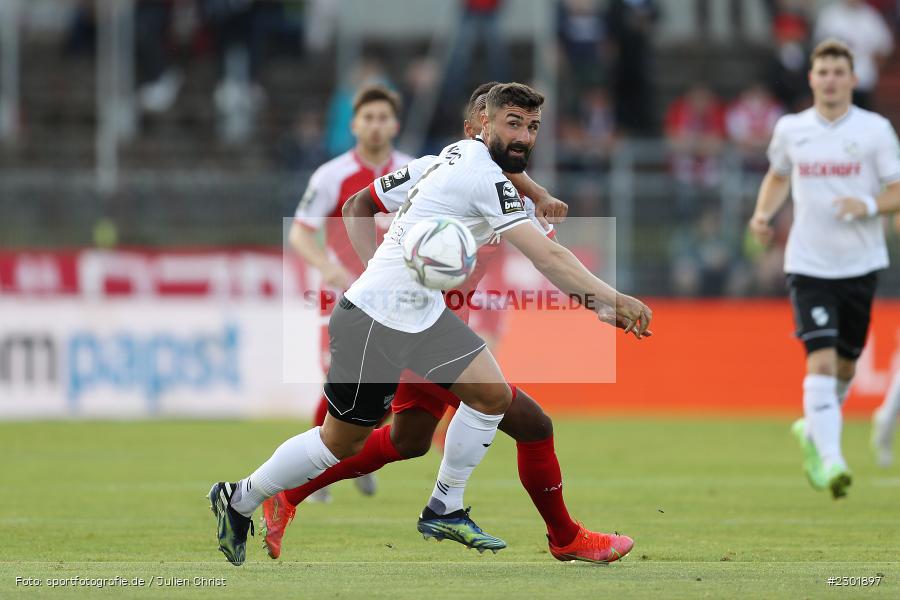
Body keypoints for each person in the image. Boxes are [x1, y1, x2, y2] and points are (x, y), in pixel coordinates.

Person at [208, 82, 652, 565]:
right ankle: (242, 497)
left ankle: (449, 506)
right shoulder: (483, 178)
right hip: (376, 320)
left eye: (533, 127)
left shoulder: (452, 156)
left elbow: (367, 202)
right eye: (513, 123)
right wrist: (609, 299)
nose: (525, 135)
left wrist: (539, 191)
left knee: (487, 401)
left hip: (421, 318)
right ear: (483, 123)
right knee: (342, 440)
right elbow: (546, 253)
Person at [748, 39, 900, 499]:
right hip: (809, 263)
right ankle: (833, 460)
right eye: (823, 72)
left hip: (861, 263)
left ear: (853, 80)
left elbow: (897, 190)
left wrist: (868, 203)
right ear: (812, 78)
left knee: (846, 370)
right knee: (821, 358)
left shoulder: (875, 130)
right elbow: (778, 175)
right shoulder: (793, 129)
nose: (831, 79)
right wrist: (761, 214)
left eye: (839, 72)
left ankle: (813, 429)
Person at [288, 84, 413, 503]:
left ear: (394, 125)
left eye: (383, 118)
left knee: (387, 390)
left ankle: (354, 454)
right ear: (354, 124)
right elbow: (300, 232)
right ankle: (315, 469)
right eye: (368, 118)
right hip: (348, 296)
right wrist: (327, 268)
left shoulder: (417, 172)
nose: (376, 125)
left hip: (399, 297)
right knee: (339, 381)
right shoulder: (331, 175)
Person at [814, 0, 894, 110]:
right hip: (835, 80)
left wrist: (874, 63)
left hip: (863, 79)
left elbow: (885, 47)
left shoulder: (871, 17)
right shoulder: (830, 15)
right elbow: (819, 45)